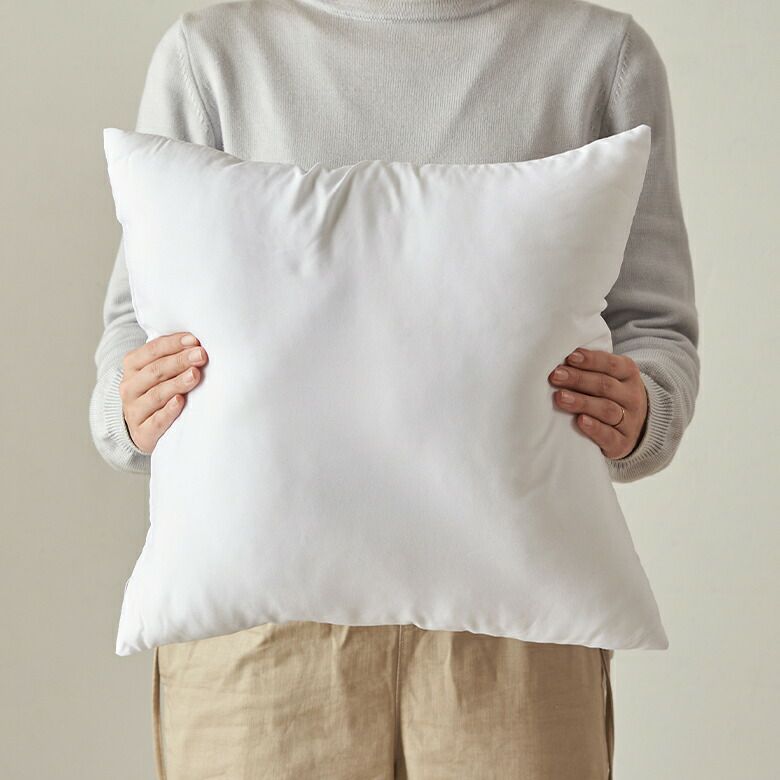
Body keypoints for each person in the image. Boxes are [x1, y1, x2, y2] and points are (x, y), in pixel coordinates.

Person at [89, 0, 700, 777]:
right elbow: (137, 320)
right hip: (259, 634)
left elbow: (653, 322)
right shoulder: (211, 54)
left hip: (516, 620)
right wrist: (129, 407)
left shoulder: (598, 56)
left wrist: (644, 409)